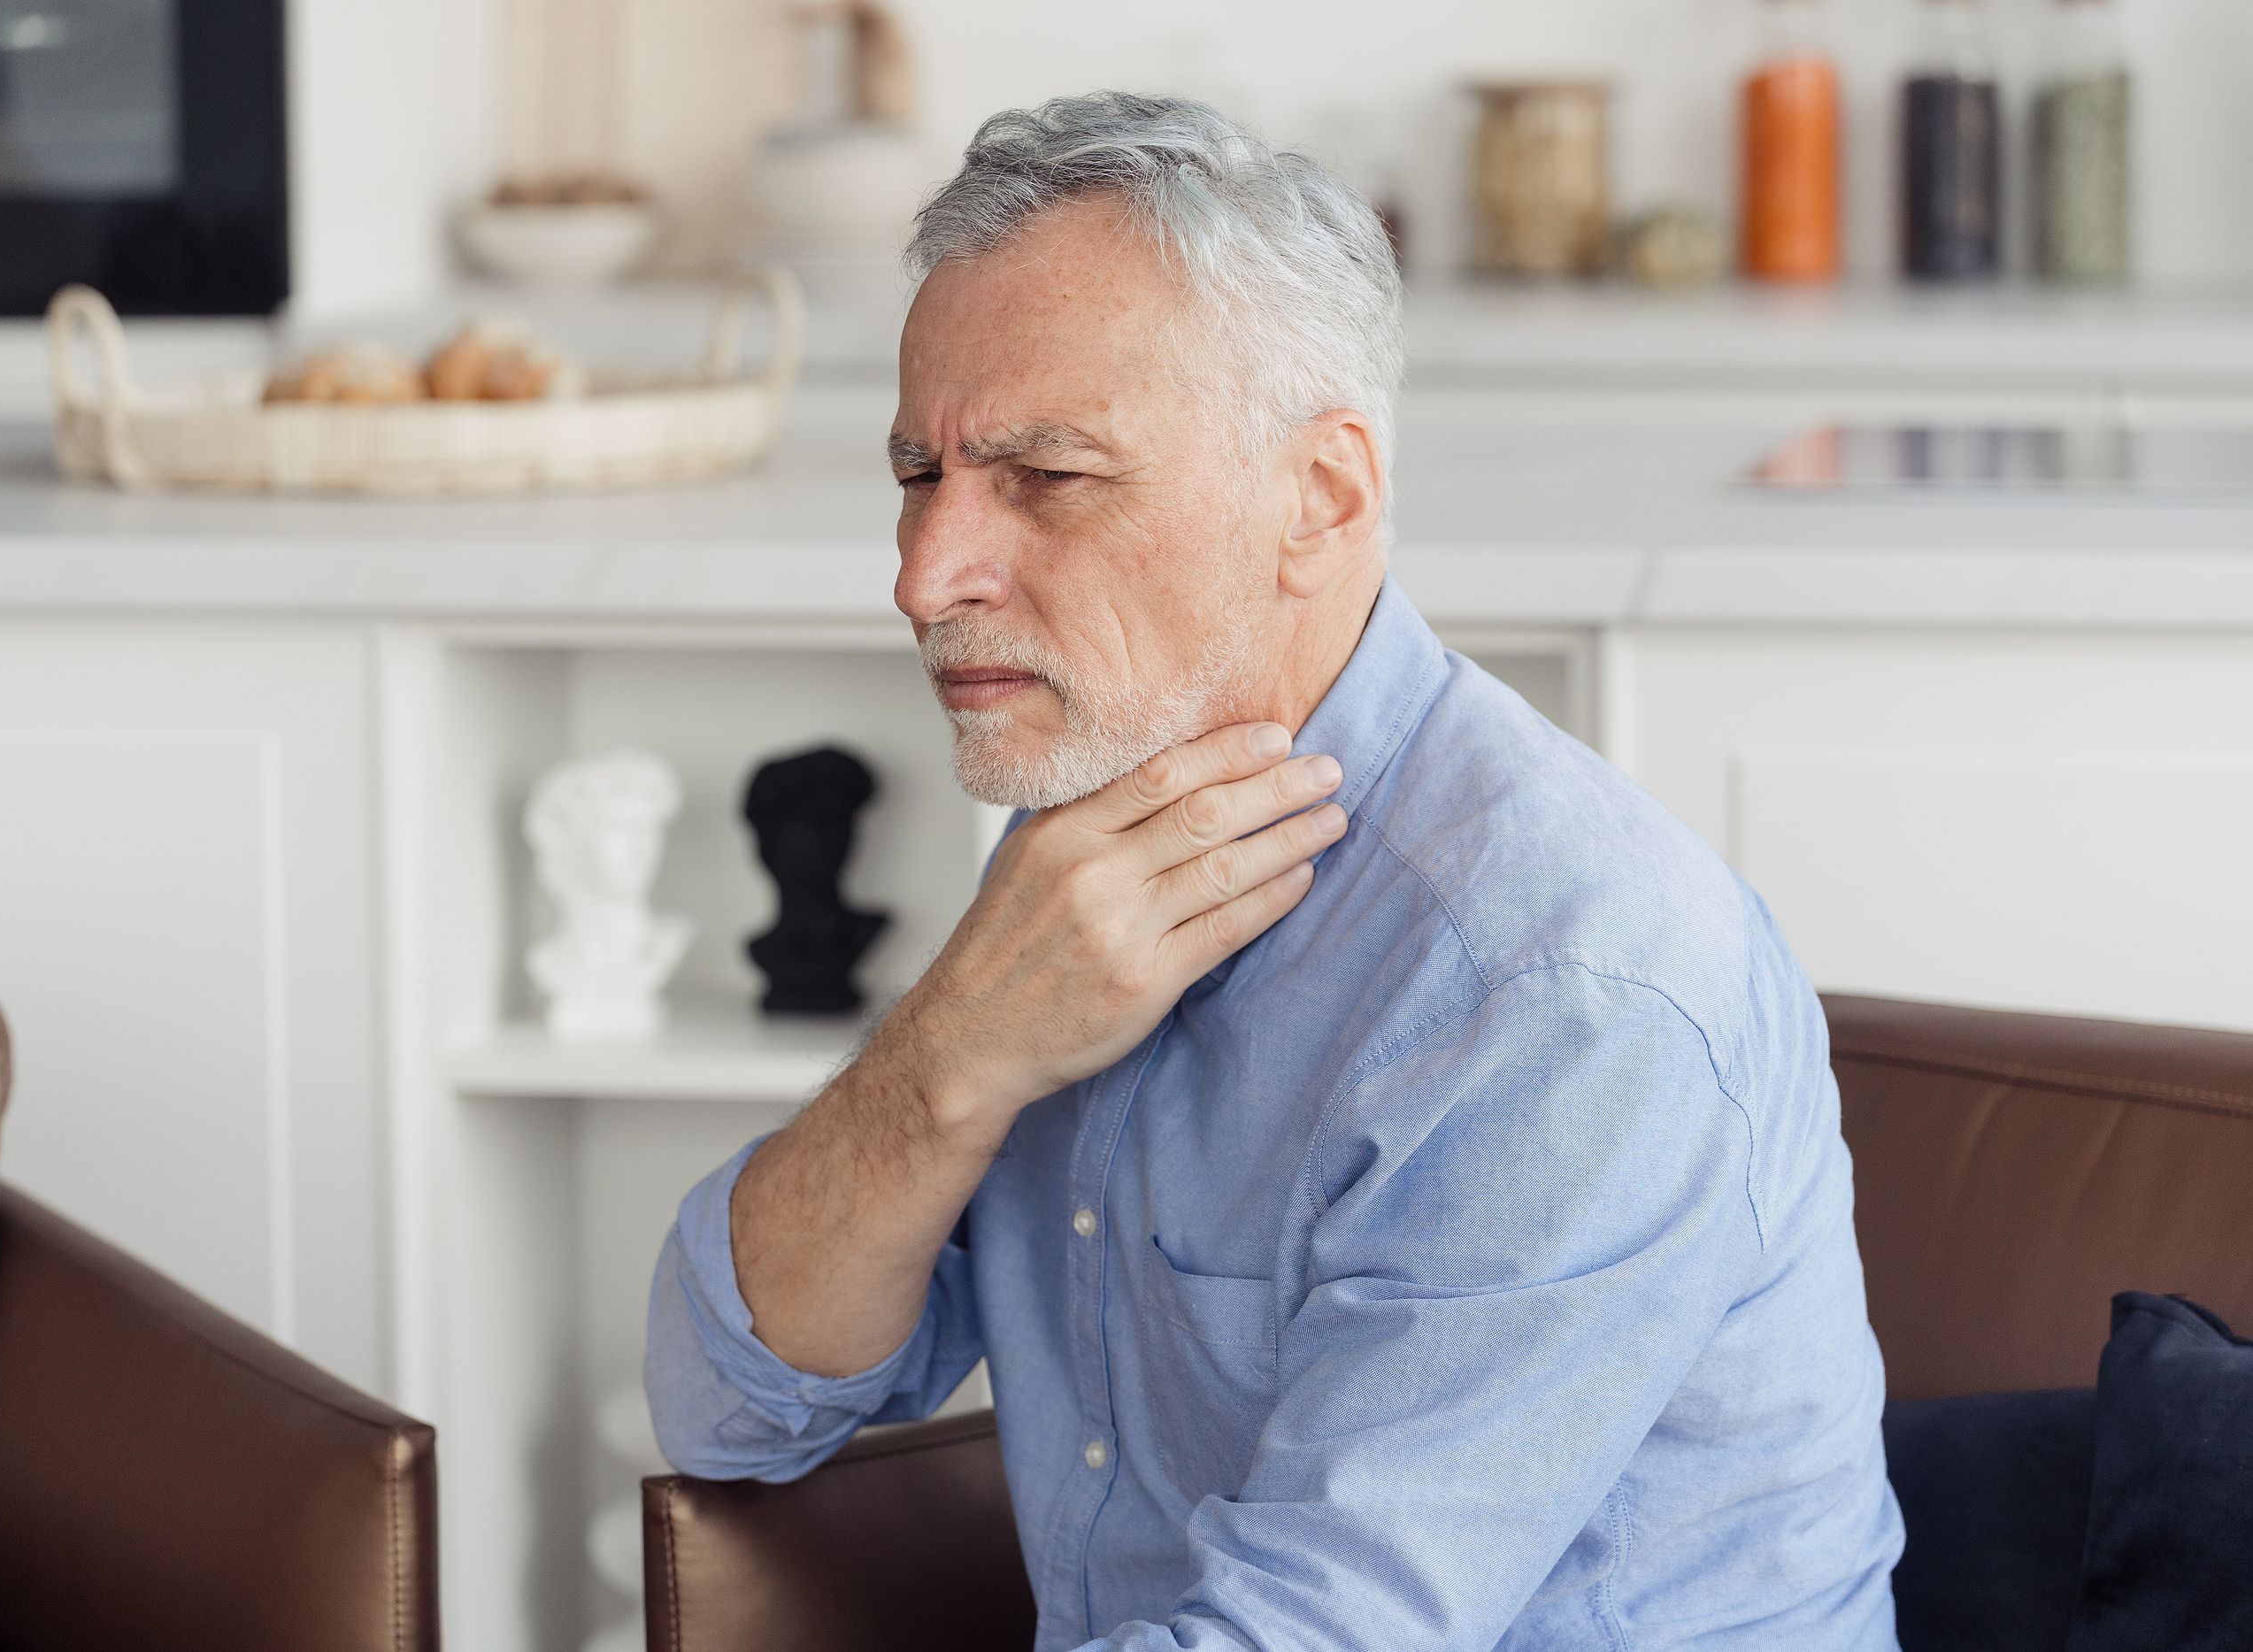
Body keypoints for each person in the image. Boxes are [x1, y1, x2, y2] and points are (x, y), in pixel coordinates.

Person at [646, 91, 1903, 1650]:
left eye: (1046, 477)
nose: (922, 575)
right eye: (921, 473)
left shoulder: (1565, 985)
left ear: (1323, 497)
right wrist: (953, 1055)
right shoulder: (1092, 849)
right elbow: (722, 1406)